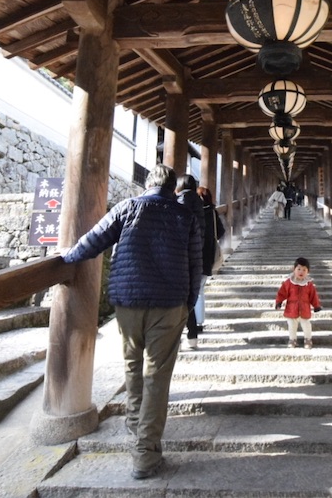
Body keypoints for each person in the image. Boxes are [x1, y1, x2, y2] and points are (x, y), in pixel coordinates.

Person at [61, 163, 202, 480]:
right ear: (173, 190)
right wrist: (189, 301)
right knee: (157, 376)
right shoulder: (185, 216)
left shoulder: (127, 207)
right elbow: (195, 264)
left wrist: (66, 257)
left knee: (132, 366)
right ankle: (145, 454)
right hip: (169, 303)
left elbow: (96, 239)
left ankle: (135, 425)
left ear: (147, 185)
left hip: (128, 302)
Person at [184, 186, 225, 349]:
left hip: (193, 255)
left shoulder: (192, 212)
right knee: (200, 290)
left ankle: (193, 323)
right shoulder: (213, 213)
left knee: (191, 291)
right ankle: (199, 322)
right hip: (208, 255)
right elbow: (220, 232)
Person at [274, 257, 321, 349]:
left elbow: (313, 296)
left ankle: (308, 339)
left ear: (308, 271)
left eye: (304, 270)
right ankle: (292, 339)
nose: (301, 272)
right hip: (292, 309)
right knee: (291, 325)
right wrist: (279, 301)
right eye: (299, 269)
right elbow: (282, 292)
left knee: (306, 325)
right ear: (294, 269)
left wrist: (316, 305)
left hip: (304, 309)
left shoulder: (309, 284)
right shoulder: (288, 283)